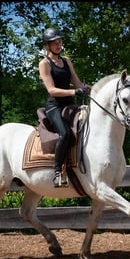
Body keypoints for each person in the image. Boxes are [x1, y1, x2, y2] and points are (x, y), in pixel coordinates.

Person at [38, 27, 91, 187]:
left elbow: (78, 83)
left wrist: (95, 89)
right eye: (55, 43)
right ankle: (57, 173)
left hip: (69, 105)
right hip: (54, 107)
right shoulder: (44, 64)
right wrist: (75, 91)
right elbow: (52, 90)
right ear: (47, 46)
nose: (58, 45)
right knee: (65, 134)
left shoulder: (66, 61)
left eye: (60, 41)